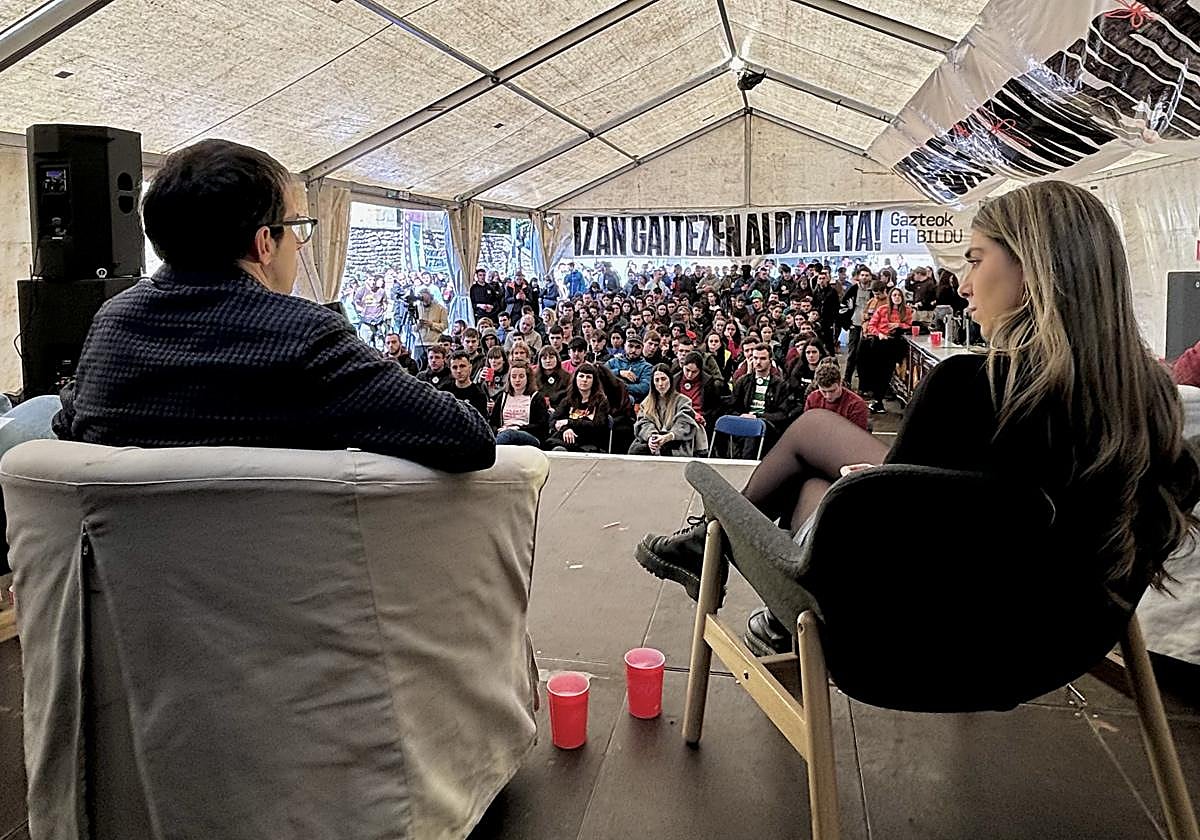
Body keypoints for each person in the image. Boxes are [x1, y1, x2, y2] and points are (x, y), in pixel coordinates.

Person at [635, 180, 1199, 655]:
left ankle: (713, 552)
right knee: (818, 463)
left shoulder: (972, 387)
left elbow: (894, 540)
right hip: (1060, 636)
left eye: (976, 260)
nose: (962, 283)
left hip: (917, 638)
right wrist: (884, 488)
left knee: (810, 449)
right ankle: (772, 608)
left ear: (1036, 271)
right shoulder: (1154, 398)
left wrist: (869, 493)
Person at [52, 139, 493, 472]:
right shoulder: (306, 336)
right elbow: (468, 438)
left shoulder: (111, 323)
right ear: (265, 243)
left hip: (129, 585)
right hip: (281, 581)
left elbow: (71, 422)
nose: (299, 246)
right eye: (297, 227)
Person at [629, 365, 708, 457]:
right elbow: (644, 422)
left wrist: (667, 437)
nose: (660, 384)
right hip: (655, 438)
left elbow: (683, 424)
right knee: (635, 450)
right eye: (657, 380)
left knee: (665, 449)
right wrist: (651, 437)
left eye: (663, 379)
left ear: (670, 380)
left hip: (675, 441)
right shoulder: (646, 403)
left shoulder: (683, 401)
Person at [727, 345, 789, 457]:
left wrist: (757, 416)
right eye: (755, 358)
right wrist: (742, 416)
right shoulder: (743, 382)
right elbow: (732, 407)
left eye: (763, 358)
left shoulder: (781, 385)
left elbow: (782, 415)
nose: (758, 362)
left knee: (754, 429)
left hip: (767, 426)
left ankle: (746, 465)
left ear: (770, 361)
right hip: (743, 422)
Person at [862, 287, 914, 414]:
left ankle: (879, 400)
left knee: (887, 373)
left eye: (899, 295)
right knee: (877, 372)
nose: (897, 297)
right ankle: (877, 400)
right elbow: (871, 326)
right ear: (890, 297)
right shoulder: (882, 309)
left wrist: (899, 325)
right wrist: (879, 334)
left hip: (894, 345)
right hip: (880, 343)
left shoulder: (907, 311)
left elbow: (910, 325)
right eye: (894, 295)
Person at [545, 363, 610, 452]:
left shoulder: (601, 401)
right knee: (556, 448)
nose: (584, 380)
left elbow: (597, 425)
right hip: (567, 440)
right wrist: (566, 429)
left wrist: (569, 422)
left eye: (588, 377)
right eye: (581, 376)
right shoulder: (567, 400)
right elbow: (553, 420)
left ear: (594, 381)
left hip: (589, 442)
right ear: (575, 379)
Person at [490, 362, 550, 447]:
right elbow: (493, 423)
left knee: (509, 434)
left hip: (529, 435)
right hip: (503, 433)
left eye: (521, 376)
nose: (517, 380)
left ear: (527, 378)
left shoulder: (536, 397)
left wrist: (518, 428)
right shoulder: (502, 397)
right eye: (513, 377)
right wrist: (498, 430)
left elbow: (542, 426)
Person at [803, 358, 869, 431]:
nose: (828, 396)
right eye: (823, 391)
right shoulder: (812, 399)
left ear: (840, 383)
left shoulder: (856, 405)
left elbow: (856, 436)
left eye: (832, 391)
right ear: (817, 386)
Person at [441, 350, 489, 418]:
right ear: (450, 370)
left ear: (470, 368)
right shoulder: (444, 391)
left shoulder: (479, 394)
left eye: (462, 366)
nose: (459, 371)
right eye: (454, 367)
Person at [608, 336, 652, 403]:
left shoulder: (646, 367)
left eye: (637, 347)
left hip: (632, 401)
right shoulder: (614, 361)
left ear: (642, 348)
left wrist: (621, 386)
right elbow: (601, 373)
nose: (634, 350)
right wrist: (619, 372)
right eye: (630, 346)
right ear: (625, 346)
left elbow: (644, 388)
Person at [415, 287, 449, 367]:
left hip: (434, 342)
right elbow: (412, 328)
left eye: (426, 297)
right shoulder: (417, 308)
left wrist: (432, 324)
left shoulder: (440, 308)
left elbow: (444, 325)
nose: (424, 300)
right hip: (419, 342)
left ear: (430, 296)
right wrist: (418, 325)